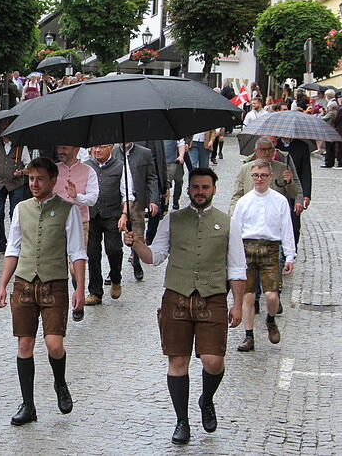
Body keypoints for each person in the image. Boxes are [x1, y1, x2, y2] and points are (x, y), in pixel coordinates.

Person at [125, 167, 245, 445]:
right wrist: (137, 244)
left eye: (205, 187)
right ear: (188, 189)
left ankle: (206, 399)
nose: (200, 192)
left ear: (214, 189)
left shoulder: (228, 223)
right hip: (176, 297)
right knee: (177, 361)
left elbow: (237, 268)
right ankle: (182, 420)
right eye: (195, 187)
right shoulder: (172, 219)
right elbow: (154, 257)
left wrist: (237, 305)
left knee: (213, 362)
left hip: (212, 298)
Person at [0, 157, 86, 426]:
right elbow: (13, 248)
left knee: (54, 344)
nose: (34, 184)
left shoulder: (68, 210)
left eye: (40, 179)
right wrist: (2, 284)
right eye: (31, 179)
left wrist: (79, 287)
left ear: (53, 180)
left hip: (54, 283)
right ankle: (28, 405)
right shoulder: (21, 209)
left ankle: (60, 382)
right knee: (24, 344)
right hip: (24, 283)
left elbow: (77, 252)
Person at [231, 160, 295, 352]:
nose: (259, 179)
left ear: (270, 177)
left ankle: (270, 319)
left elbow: (287, 229)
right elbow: (235, 231)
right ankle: (249, 336)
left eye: (263, 176)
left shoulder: (279, 200)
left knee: (271, 295)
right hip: (246, 249)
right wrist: (232, 256)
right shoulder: (244, 202)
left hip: (270, 249)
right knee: (248, 296)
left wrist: (290, 256)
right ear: (252, 177)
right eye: (256, 176)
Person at [84, 144, 134, 305]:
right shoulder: (87, 166)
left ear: (111, 147)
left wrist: (125, 214)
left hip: (112, 215)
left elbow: (127, 194)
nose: (97, 150)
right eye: (95, 147)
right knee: (92, 254)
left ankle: (115, 278)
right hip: (91, 215)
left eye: (102, 147)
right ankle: (95, 292)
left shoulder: (121, 166)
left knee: (114, 249)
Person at [0, 123, 31, 254]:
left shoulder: (21, 146)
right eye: (3, 129)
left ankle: (15, 243)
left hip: (16, 185)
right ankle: (1, 244)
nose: (5, 132)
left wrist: (21, 172)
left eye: (7, 129)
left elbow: (29, 166)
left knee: (14, 214)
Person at [114, 142, 158, 281]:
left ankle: (136, 260)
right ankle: (114, 270)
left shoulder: (144, 153)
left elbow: (152, 177)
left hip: (137, 199)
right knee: (114, 239)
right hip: (117, 201)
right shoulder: (113, 153)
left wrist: (153, 199)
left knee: (137, 234)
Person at [229, 137, 302, 214]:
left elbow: (293, 194)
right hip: (250, 212)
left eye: (270, 149)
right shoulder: (245, 169)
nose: (267, 152)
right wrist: (234, 212)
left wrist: (289, 182)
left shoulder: (282, 168)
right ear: (256, 151)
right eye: (263, 149)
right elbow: (237, 195)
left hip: (274, 213)